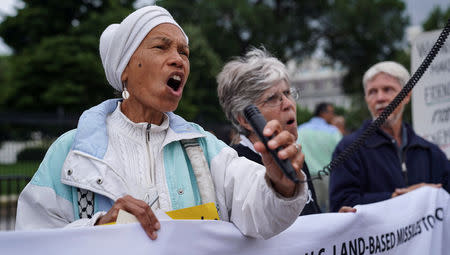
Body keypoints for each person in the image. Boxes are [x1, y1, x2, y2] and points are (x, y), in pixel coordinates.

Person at [15, 6, 310, 240]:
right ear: (125, 68)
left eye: (184, 52)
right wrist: (98, 228)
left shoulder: (204, 148)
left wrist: (281, 185)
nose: (178, 59)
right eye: (162, 47)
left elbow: (258, 211)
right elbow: (33, 245)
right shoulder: (71, 152)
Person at [329, 61, 449, 212]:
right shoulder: (348, 149)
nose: (380, 98)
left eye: (388, 89)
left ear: (406, 96)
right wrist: (397, 198)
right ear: (367, 99)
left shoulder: (430, 152)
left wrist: (428, 195)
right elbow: (340, 204)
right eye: (372, 92)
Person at [217, 48, 321, 215]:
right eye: (272, 98)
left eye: (287, 93)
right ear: (244, 119)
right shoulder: (234, 168)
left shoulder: (291, 156)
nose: (288, 104)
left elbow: (312, 217)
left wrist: (336, 224)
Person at [297, 102, 342, 212]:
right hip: (329, 178)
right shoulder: (333, 131)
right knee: (331, 212)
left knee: (313, 212)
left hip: (308, 178)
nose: (333, 115)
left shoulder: (300, 130)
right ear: (323, 113)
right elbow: (343, 151)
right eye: (331, 112)